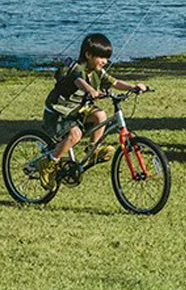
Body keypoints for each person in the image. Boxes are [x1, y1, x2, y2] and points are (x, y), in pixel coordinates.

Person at [38, 32, 147, 186]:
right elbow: (78, 80)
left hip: (79, 110)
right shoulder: (77, 68)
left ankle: (92, 150)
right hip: (59, 112)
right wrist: (90, 90)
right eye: (101, 57)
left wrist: (133, 87)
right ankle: (49, 163)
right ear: (88, 55)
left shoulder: (98, 71)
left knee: (100, 115)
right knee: (75, 134)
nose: (105, 61)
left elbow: (115, 83)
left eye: (107, 58)